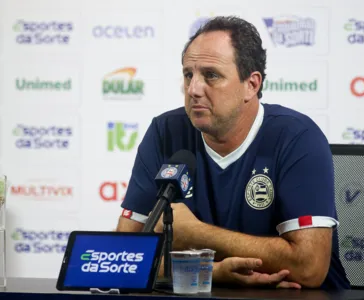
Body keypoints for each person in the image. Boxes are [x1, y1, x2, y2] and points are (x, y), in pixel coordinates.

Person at [116, 16, 350, 289]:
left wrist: (196, 234)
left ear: (251, 85)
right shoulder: (165, 132)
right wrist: (213, 271)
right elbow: (127, 258)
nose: (193, 89)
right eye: (188, 74)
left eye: (211, 75)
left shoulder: (297, 137)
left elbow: (309, 267)